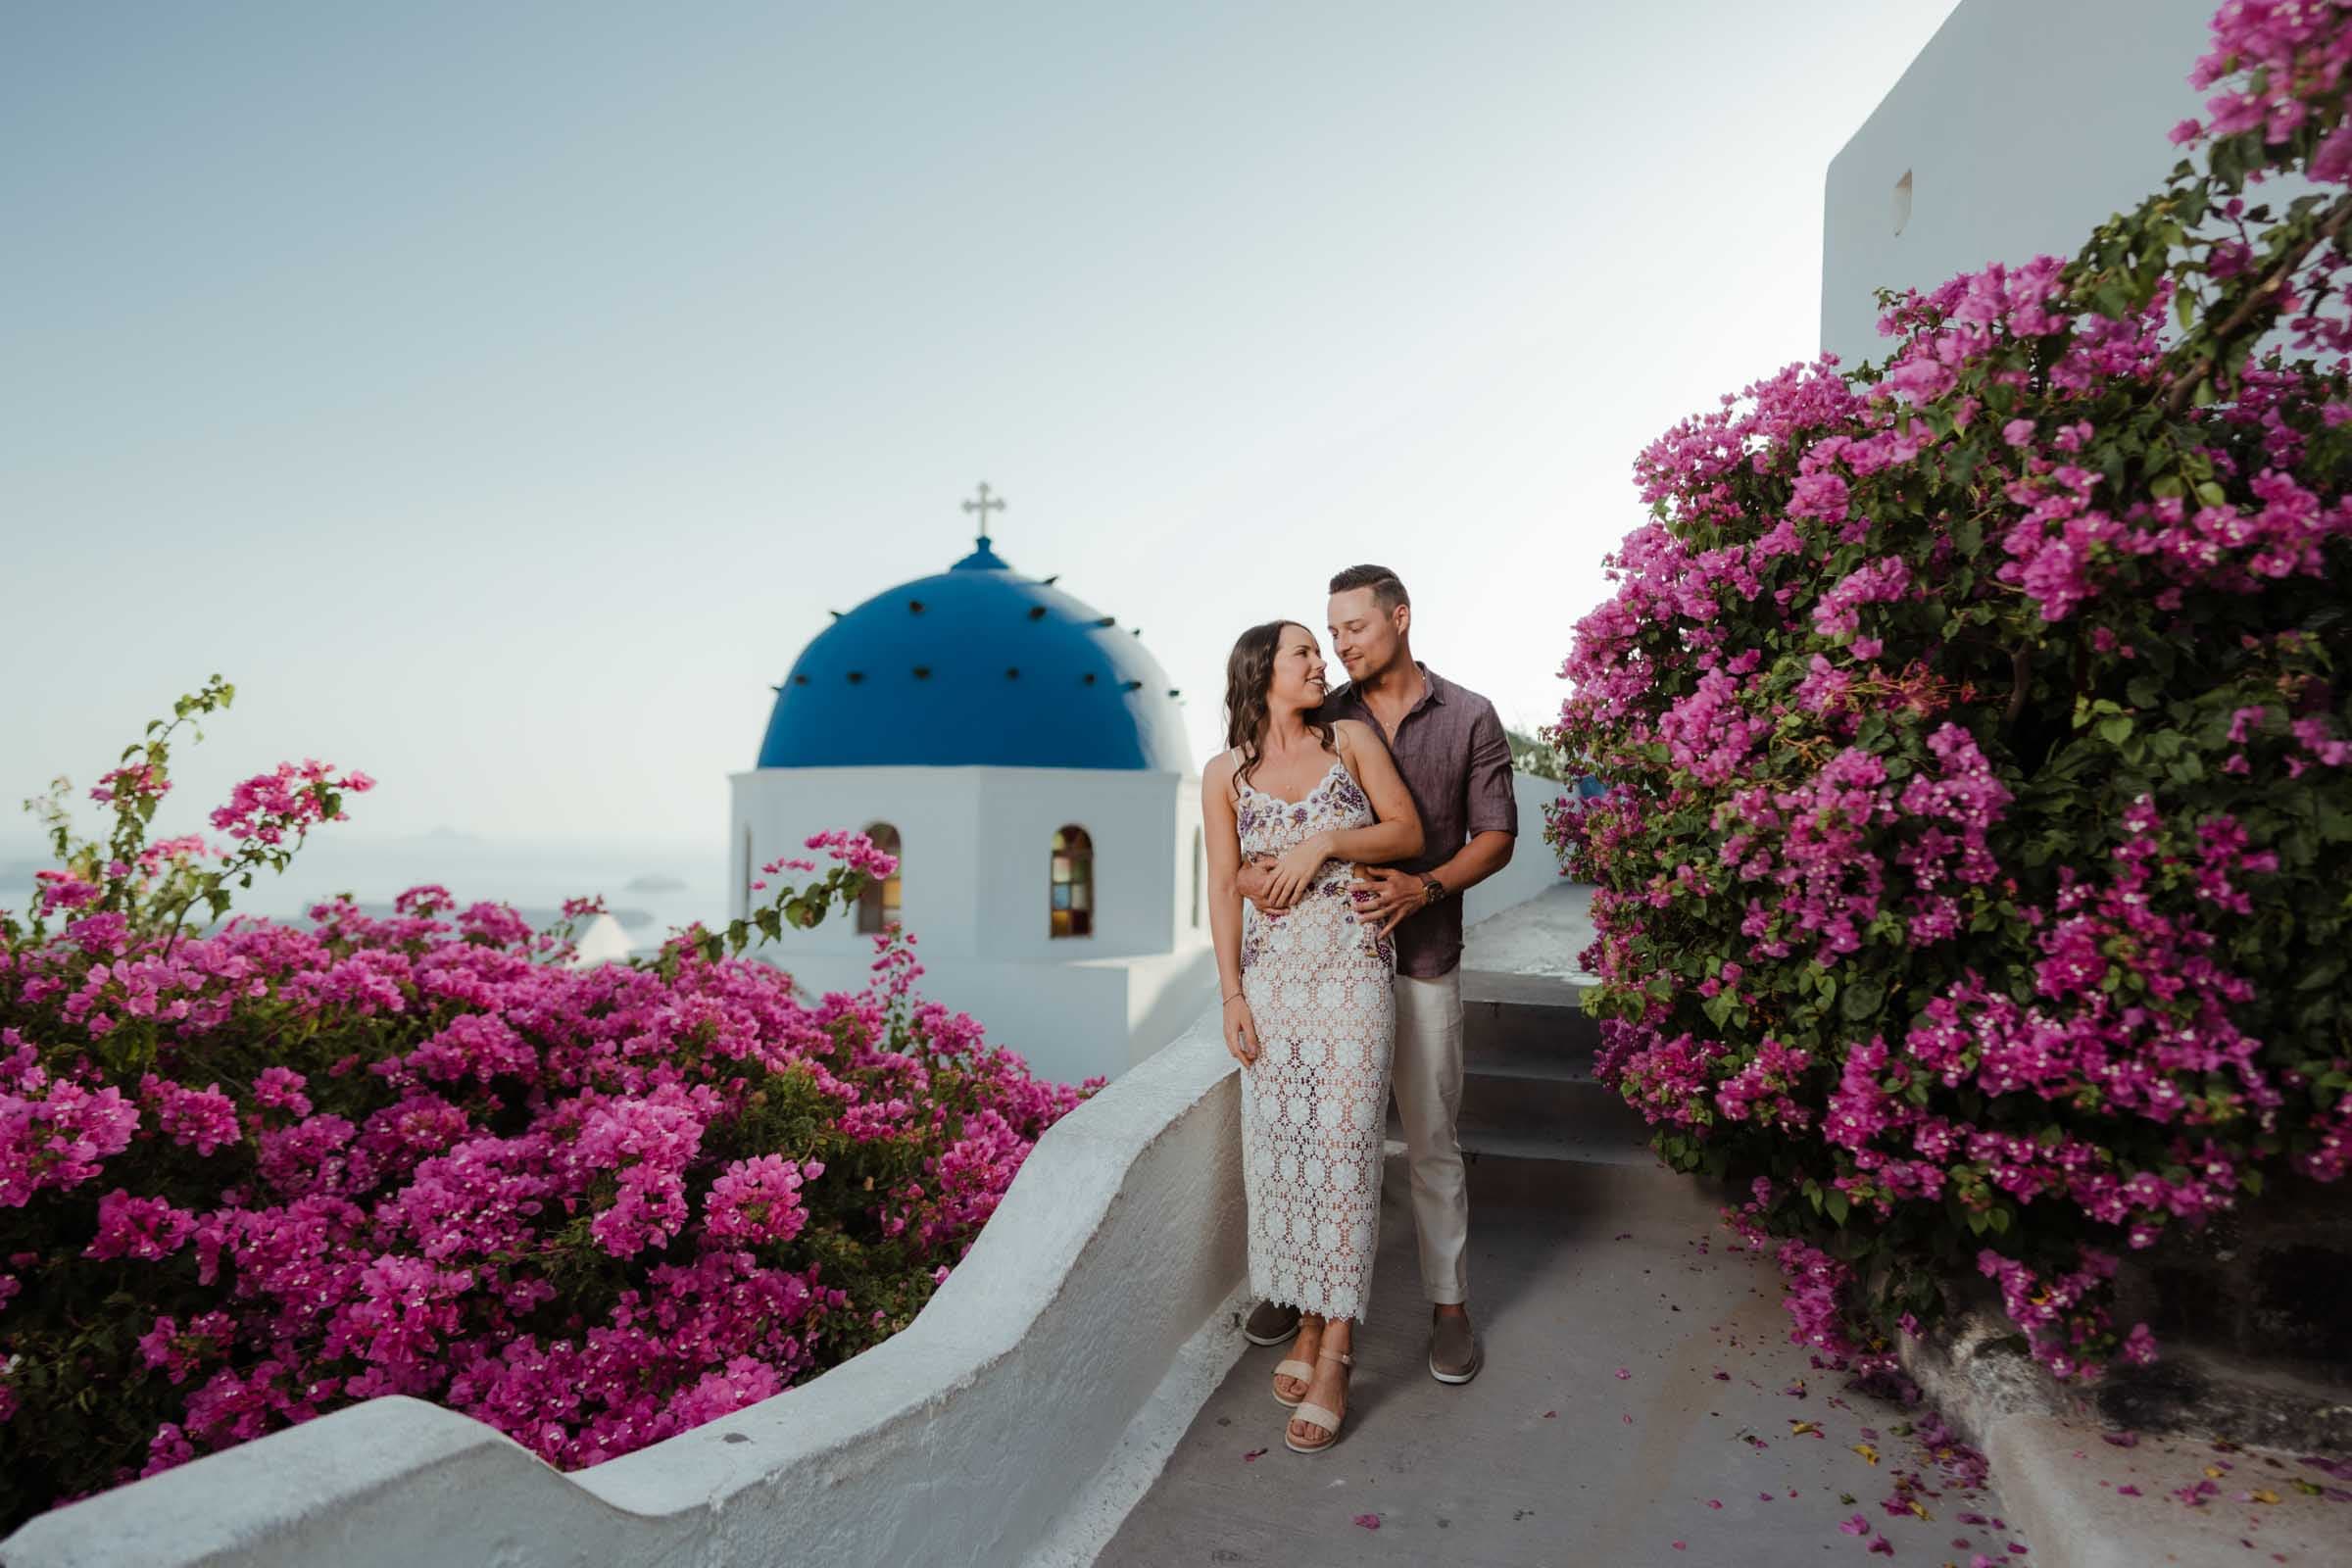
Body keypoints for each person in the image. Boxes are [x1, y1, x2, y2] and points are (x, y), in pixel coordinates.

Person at [1234, 564, 1517, 1389]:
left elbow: (1495, 837)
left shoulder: (1468, 716)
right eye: (1330, 633)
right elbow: (1270, 811)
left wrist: (1425, 885)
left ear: (1399, 617)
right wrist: (1259, 875)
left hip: (1422, 958)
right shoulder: (1324, 715)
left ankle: (1450, 1307)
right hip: (1324, 970)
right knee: (1314, 1137)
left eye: (1353, 627)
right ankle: (1301, 1293)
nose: (1340, 645)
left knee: (1429, 1141)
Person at [1201, 619, 1424, 1454]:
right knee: (1285, 1153)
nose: (1318, 662)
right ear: (1262, 669)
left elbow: (1407, 832)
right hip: (1274, 985)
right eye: (1302, 651)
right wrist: (1231, 994)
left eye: (1317, 651)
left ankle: (1338, 1350)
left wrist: (1326, 840)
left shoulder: (1353, 741)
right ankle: (1303, 1327)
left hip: (1354, 974)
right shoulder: (1223, 774)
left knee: (1344, 1152)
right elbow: (1225, 886)